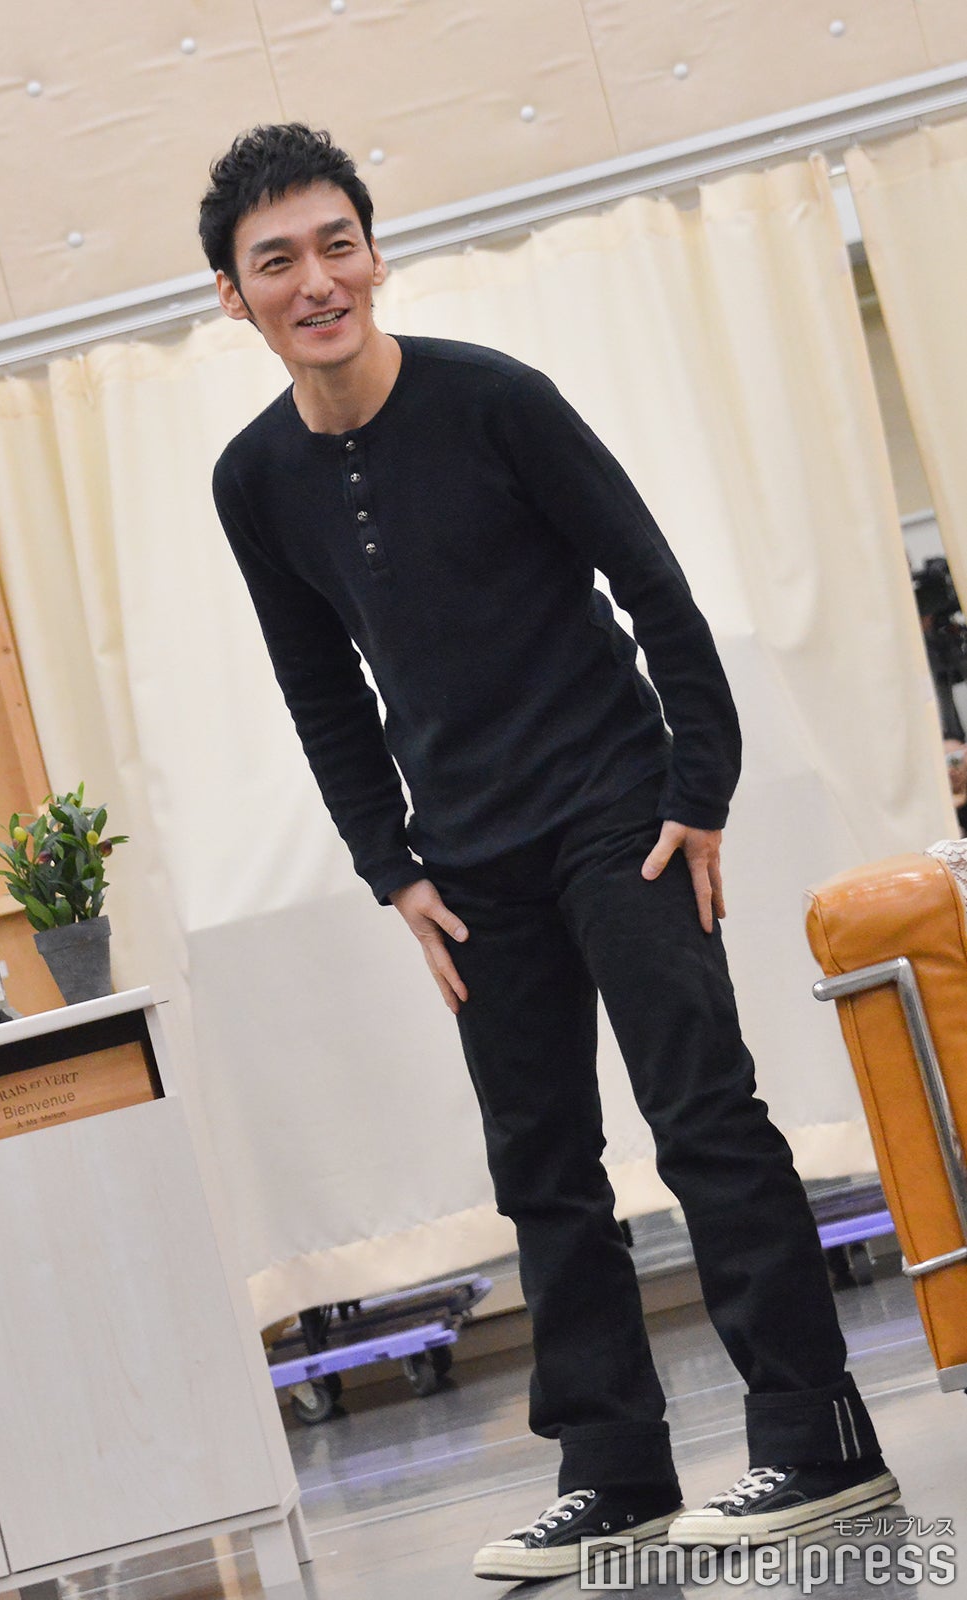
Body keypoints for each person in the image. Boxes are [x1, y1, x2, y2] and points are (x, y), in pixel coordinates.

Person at [199, 123, 899, 1582]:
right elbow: (319, 687)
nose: (317, 280)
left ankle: (817, 1438)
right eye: (279, 261)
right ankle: (613, 1474)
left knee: (701, 1117)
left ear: (374, 254)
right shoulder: (252, 479)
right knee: (541, 1166)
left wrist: (696, 789)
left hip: (614, 811)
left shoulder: (497, 401)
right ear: (234, 294)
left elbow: (654, 589)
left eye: (337, 244)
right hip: (466, 857)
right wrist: (392, 868)